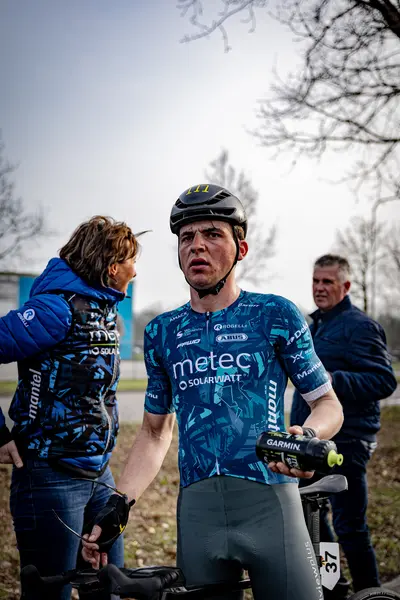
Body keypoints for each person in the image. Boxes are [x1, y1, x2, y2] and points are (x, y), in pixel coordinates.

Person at [83, 185, 344, 600]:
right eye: (186, 237)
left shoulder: (274, 314)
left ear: (241, 249)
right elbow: (154, 432)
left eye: (212, 234)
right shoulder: (162, 332)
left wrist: (307, 436)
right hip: (198, 512)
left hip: (270, 503)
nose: (197, 245)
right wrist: (120, 503)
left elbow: (327, 403)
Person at [0, 215, 139, 600]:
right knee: (51, 593)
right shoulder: (55, 309)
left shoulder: (106, 311)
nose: (136, 270)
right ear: (112, 267)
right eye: (131, 260)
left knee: (110, 586)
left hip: (99, 476)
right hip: (50, 478)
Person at [290, 254, 397, 594]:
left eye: (328, 282)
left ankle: (371, 593)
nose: (319, 288)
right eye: (316, 281)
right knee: (314, 520)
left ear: (346, 286)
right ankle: (334, 587)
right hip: (313, 443)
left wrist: (331, 380)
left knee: (349, 526)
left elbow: (384, 381)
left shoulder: (360, 326)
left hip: (347, 442)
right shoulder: (314, 326)